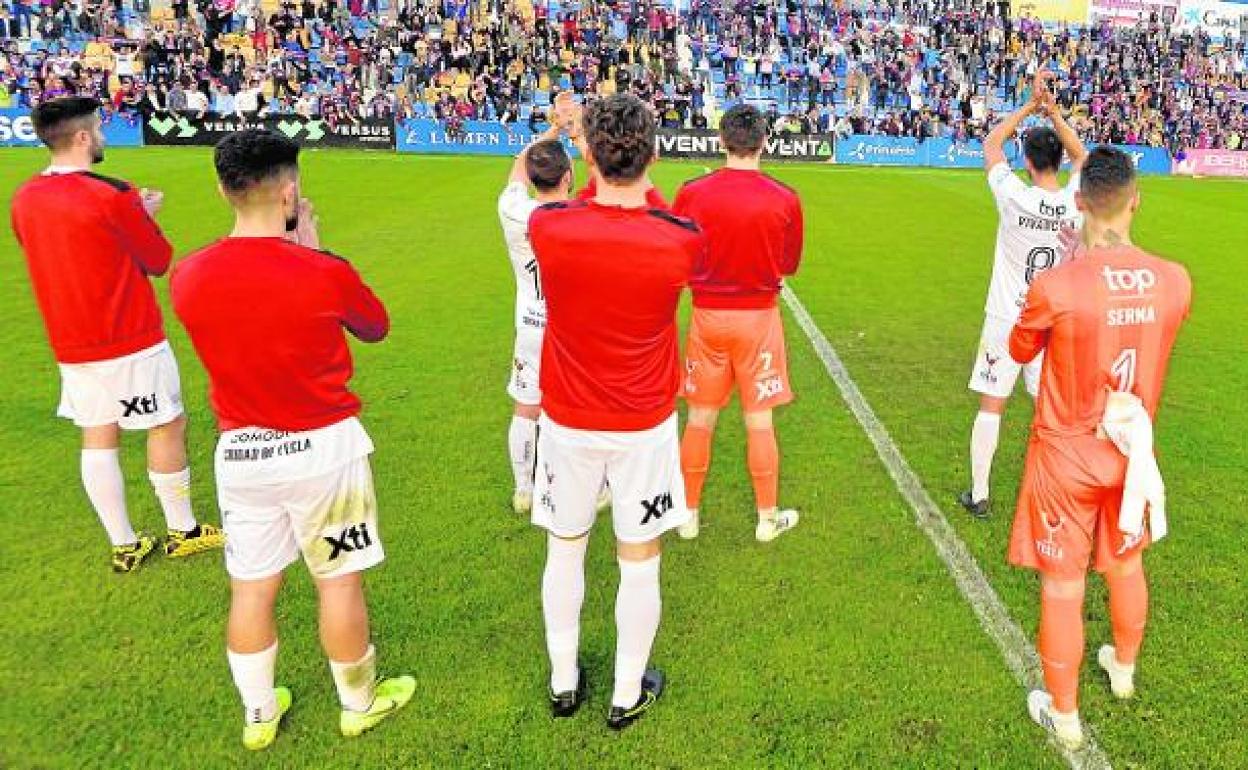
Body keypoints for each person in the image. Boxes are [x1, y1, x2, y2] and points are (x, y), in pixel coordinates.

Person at [170, 130, 413, 751]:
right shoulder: (323, 271)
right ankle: (358, 703)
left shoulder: (189, 275)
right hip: (323, 450)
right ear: (289, 191)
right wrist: (312, 251)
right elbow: (375, 326)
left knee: (252, 587)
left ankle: (258, 714)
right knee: (338, 580)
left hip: (243, 453)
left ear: (223, 189)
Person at [527, 93, 703, 730]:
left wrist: (596, 167)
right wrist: (640, 183)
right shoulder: (679, 238)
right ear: (652, 156)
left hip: (568, 420)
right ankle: (626, 692)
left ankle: (563, 681)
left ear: (589, 154)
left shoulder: (549, 227)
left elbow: (576, 203)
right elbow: (656, 213)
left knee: (565, 550)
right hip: (643, 424)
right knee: (639, 559)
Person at [1007, 146, 1191, 748]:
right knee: (1127, 563)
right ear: (1136, 200)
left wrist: (1071, 270)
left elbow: (1019, 349)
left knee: (1064, 586)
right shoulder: (1175, 280)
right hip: (1131, 452)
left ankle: (1064, 715)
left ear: (1079, 202)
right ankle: (1124, 667)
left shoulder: (1057, 284)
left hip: (1067, 454)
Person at [10, 96, 223, 573]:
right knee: (165, 423)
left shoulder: (25, 197)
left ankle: (124, 543)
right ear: (83, 137)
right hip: (129, 335)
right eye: (99, 128)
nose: (103, 136)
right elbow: (158, 260)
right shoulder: (112, 193)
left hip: (70, 341)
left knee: (98, 432)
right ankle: (183, 530)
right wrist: (144, 214)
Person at [671, 104, 803, 543]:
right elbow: (789, 263)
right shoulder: (784, 197)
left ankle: (688, 514)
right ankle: (766, 519)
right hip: (758, 320)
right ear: (764, 141)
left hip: (707, 317)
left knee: (699, 418)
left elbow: (679, 251)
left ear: (721, 140)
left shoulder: (692, 193)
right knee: (759, 421)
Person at [959, 72, 1087, 519]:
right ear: (1057, 161)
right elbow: (1082, 155)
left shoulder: (1013, 194)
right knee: (1049, 407)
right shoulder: (1073, 201)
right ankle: (1064, 489)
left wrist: (1031, 107)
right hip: (1049, 319)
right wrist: (1054, 113)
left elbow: (992, 143)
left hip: (1006, 317)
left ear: (1028, 162)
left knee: (992, 403)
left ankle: (979, 494)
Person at [498, 125, 573, 514]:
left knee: (526, 407)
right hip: (571, 328)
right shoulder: (580, 218)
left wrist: (552, 129)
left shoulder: (513, 209)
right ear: (567, 177)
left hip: (531, 323)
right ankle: (582, 486)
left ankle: (524, 490)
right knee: (574, 408)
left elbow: (517, 168)